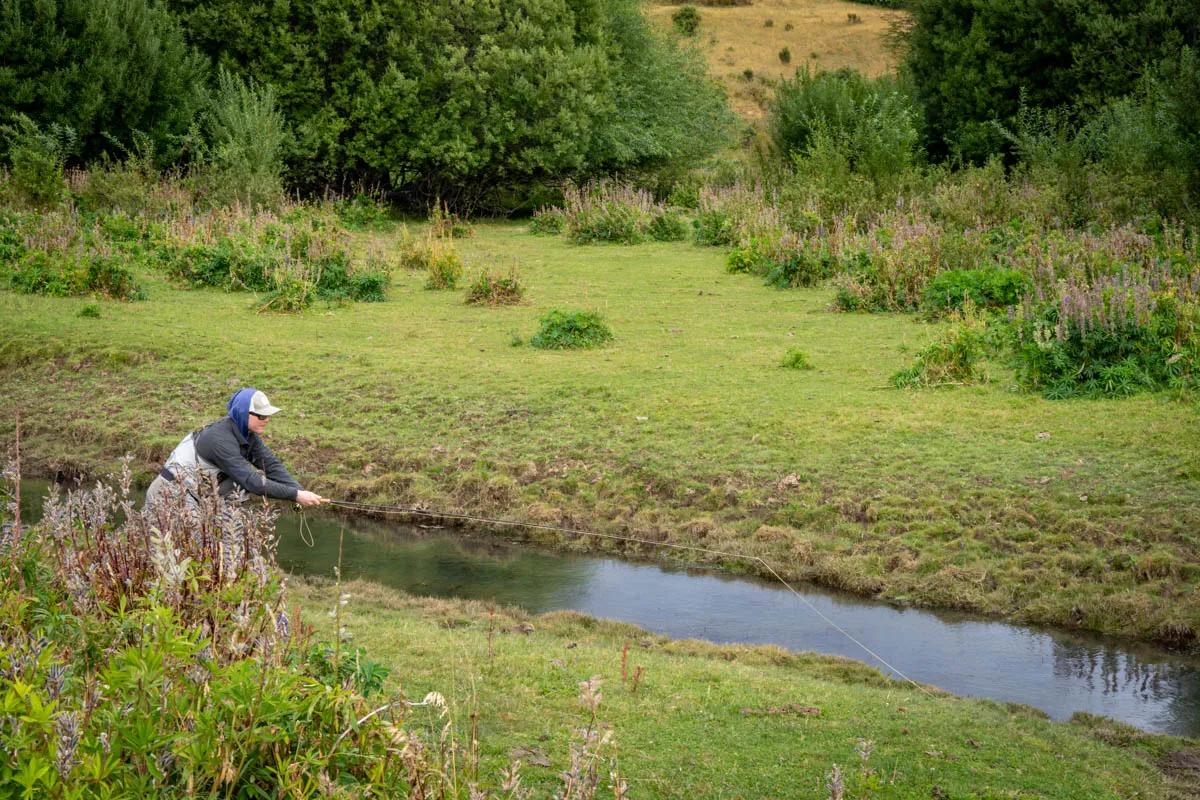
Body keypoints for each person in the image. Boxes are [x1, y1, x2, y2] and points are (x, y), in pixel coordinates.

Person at [146, 388, 327, 510]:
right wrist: (295, 495)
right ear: (242, 412)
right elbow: (252, 482)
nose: (266, 419)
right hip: (169, 495)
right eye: (261, 415)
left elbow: (271, 465)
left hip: (196, 494)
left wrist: (300, 490)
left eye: (268, 415)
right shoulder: (220, 440)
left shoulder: (247, 434)